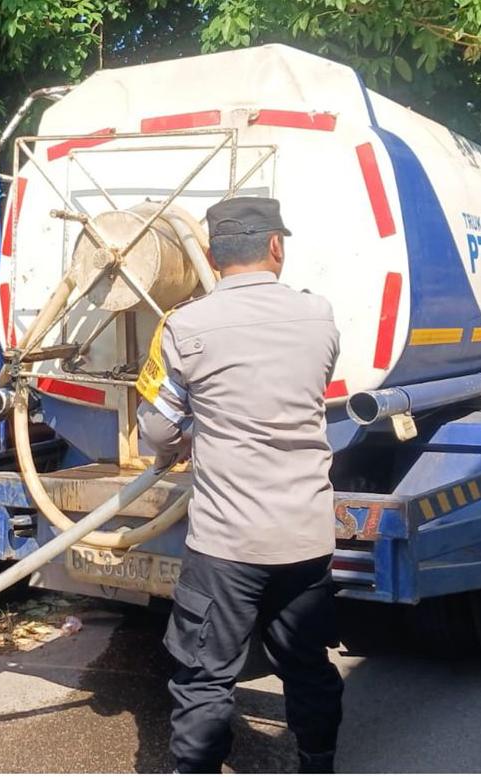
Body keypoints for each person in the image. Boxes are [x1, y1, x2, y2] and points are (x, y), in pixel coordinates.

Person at [136, 197, 344, 774]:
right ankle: (318, 763)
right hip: (305, 538)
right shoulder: (319, 316)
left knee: (204, 676)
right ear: (276, 245)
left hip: (226, 545)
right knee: (307, 664)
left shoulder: (183, 325)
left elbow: (158, 427)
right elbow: (311, 388)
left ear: (210, 255)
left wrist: (182, 442)